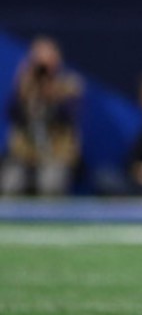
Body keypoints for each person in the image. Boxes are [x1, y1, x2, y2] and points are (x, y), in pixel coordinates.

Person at [1, 36, 83, 197]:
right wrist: (23, 87)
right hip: (24, 155)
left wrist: (51, 92)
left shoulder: (69, 85)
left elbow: (67, 116)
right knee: (10, 182)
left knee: (50, 182)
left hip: (57, 155)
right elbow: (13, 114)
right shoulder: (25, 86)